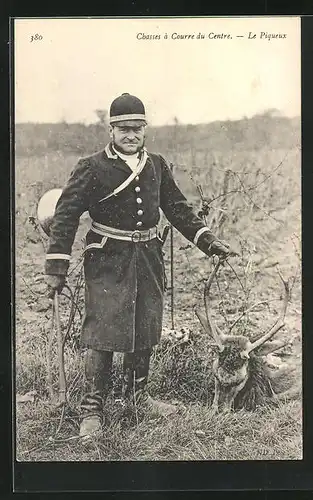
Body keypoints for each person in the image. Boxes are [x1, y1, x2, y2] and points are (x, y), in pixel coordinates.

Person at [45, 93, 236, 441]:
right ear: (111, 130)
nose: (131, 135)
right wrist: (57, 265)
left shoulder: (156, 165)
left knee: (145, 326)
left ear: (145, 130)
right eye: (124, 129)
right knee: (101, 333)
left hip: (148, 256)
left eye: (137, 128)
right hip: (106, 259)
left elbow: (177, 208)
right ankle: (92, 410)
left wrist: (208, 241)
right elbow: (65, 215)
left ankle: (136, 399)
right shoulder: (91, 167)